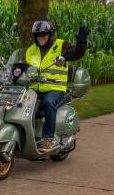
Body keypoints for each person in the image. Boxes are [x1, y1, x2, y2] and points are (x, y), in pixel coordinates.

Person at [25, 20, 88, 152]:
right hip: (34, 89)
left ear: (51, 34)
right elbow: (24, 67)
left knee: (48, 103)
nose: (41, 37)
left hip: (55, 89)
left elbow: (75, 54)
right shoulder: (31, 50)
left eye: (44, 34)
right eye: (38, 35)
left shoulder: (61, 45)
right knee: (19, 105)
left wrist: (81, 44)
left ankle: (48, 139)